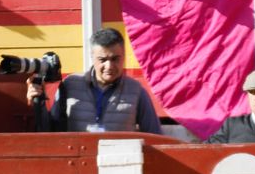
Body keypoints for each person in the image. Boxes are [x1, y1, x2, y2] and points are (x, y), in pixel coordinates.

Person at [26, 26, 163, 134]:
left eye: (115, 59)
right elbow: (51, 130)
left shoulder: (136, 91)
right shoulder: (70, 84)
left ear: (124, 56)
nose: (109, 66)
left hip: (119, 166)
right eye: (102, 60)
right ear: (92, 57)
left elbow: (155, 137)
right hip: (76, 165)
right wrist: (38, 103)